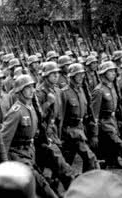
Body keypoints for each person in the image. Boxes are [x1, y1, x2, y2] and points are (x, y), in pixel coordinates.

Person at [1, 74, 58, 198]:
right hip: (17, 154)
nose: (32, 90)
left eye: (33, 87)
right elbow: (4, 140)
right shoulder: (16, 112)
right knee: (40, 184)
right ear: (20, 91)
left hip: (29, 152)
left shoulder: (31, 107)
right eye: (28, 88)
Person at [36, 62, 78, 193]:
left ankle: (51, 185)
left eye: (57, 74)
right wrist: (48, 103)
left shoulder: (58, 91)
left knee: (49, 162)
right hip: (44, 132)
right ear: (46, 76)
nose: (56, 76)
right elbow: (37, 116)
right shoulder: (39, 93)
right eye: (52, 74)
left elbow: (61, 114)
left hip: (55, 130)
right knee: (56, 160)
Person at [59, 63, 100, 173]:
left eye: (82, 74)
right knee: (90, 157)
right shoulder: (64, 93)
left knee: (67, 161)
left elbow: (87, 113)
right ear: (72, 76)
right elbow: (60, 117)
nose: (82, 76)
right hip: (70, 131)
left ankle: (56, 183)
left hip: (80, 129)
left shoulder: (82, 91)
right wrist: (60, 136)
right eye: (78, 74)